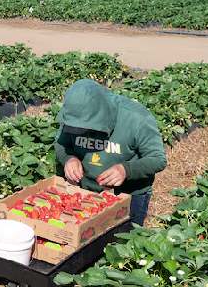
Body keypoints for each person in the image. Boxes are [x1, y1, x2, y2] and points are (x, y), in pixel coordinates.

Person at [54, 79, 167, 226]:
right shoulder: (73, 115)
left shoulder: (136, 118)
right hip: (84, 191)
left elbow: (158, 159)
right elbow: (60, 143)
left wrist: (126, 170)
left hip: (128, 195)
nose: (83, 132)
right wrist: (69, 158)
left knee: (124, 243)